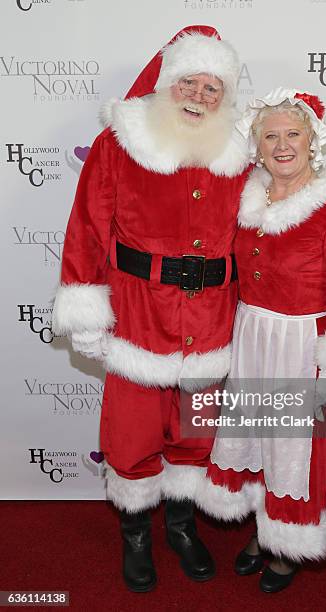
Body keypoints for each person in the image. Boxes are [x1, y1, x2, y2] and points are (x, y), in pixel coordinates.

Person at [52, 25, 252, 592]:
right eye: (189, 81)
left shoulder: (239, 153)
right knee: (134, 428)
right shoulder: (120, 144)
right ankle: (136, 531)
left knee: (197, 430)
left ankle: (182, 526)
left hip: (212, 317)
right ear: (167, 84)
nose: (199, 96)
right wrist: (87, 310)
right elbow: (87, 229)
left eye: (213, 88)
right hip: (139, 314)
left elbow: (264, 230)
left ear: (226, 97)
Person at [197, 88, 326, 593]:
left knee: (297, 448)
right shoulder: (247, 198)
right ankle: (264, 525)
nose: (282, 145)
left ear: (312, 140)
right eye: (270, 135)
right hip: (254, 334)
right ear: (255, 145)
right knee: (259, 435)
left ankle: (289, 541)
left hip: (304, 345)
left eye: (292, 134)